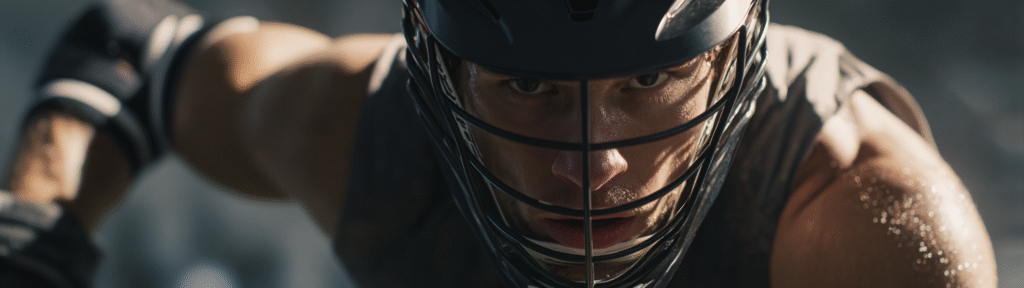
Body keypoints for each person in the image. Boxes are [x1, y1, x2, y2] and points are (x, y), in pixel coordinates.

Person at [0, 0, 998, 287]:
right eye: (526, 85)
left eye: (647, 80)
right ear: (442, 70)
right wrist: (32, 239)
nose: (589, 161)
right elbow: (130, 51)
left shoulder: (864, 223)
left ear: (733, 59)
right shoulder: (356, 131)